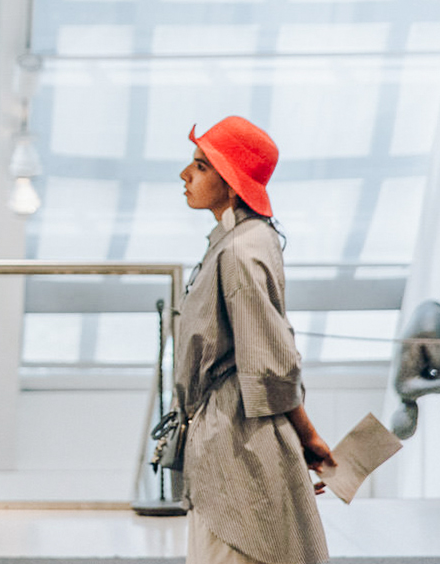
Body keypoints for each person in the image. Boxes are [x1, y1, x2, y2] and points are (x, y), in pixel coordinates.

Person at [176, 116, 336, 564]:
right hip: (228, 442)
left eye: (201, 166)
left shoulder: (241, 250)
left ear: (231, 183)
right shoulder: (236, 242)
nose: (185, 175)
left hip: (239, 446)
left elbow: (268, 366)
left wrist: (308, 437)